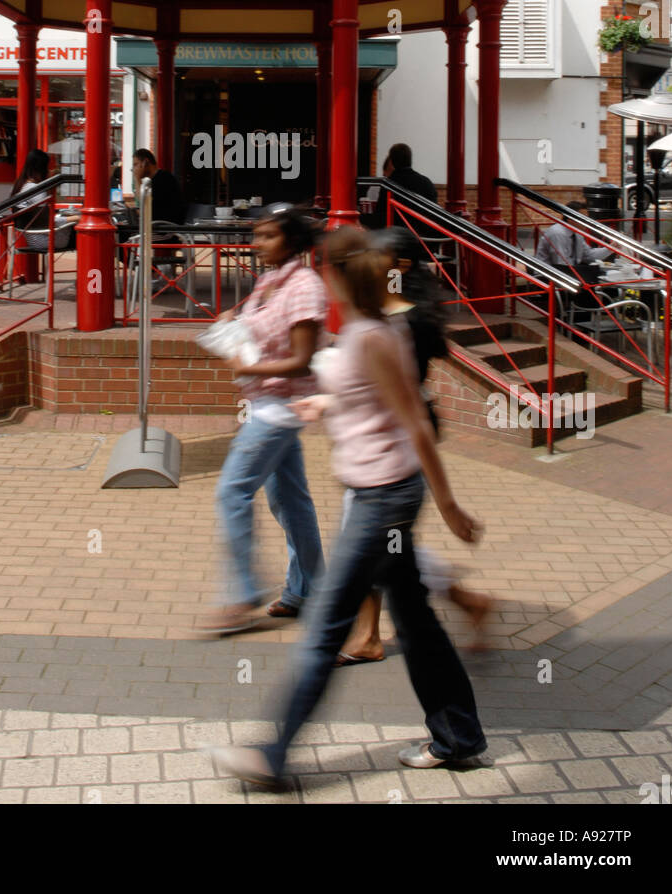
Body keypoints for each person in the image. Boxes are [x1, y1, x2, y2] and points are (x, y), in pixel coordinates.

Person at [215, 224, 489, 787]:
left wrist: (450, 505)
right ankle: (459, 736)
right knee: (416, 621)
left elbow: (412, 418)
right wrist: (324, 403)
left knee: (325, 624)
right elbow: (373, 399)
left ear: (335, 272)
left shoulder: (370, 335)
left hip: (381, 498)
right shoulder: (373, 329)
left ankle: (273, 755)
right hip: (383, 492)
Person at [336, 229, 492, 665]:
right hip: (382, 443)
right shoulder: (393, 312)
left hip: (397, 443)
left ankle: (374, 633)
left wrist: (449, 504)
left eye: (375, 258)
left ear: (399, 267)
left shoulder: (404, 318)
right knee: (389, 547)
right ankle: (460, 602)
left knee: (377, 544)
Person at [198, 204, 326, 635]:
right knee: (290, 502)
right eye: (256, 235)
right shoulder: (270, 281)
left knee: (231, 492)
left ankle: (241, 592)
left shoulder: (305, 286)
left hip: (279, 409)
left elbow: (302, 361)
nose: (257, 244)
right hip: (265, 405)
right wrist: (232, 321)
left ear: (290, 240)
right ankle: (308, 590)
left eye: (267, 236)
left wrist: (246, 368)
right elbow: (256, 325)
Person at [9, 150, 78, 252]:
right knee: (82, 231)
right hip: (46, 240)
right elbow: (48, 221)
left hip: (32, 239)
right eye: (48, 167)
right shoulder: (36, 190)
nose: (50, 170)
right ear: (41, 168)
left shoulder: (19, 186)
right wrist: (75, 217)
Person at [132, 149, 185, 226]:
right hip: (155, 225)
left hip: (166, 229)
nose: (134, 169)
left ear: (145, 162)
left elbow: (145, 205)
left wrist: (137, 178)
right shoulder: (151, 181)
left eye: (135, 164)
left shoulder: (164, 179)